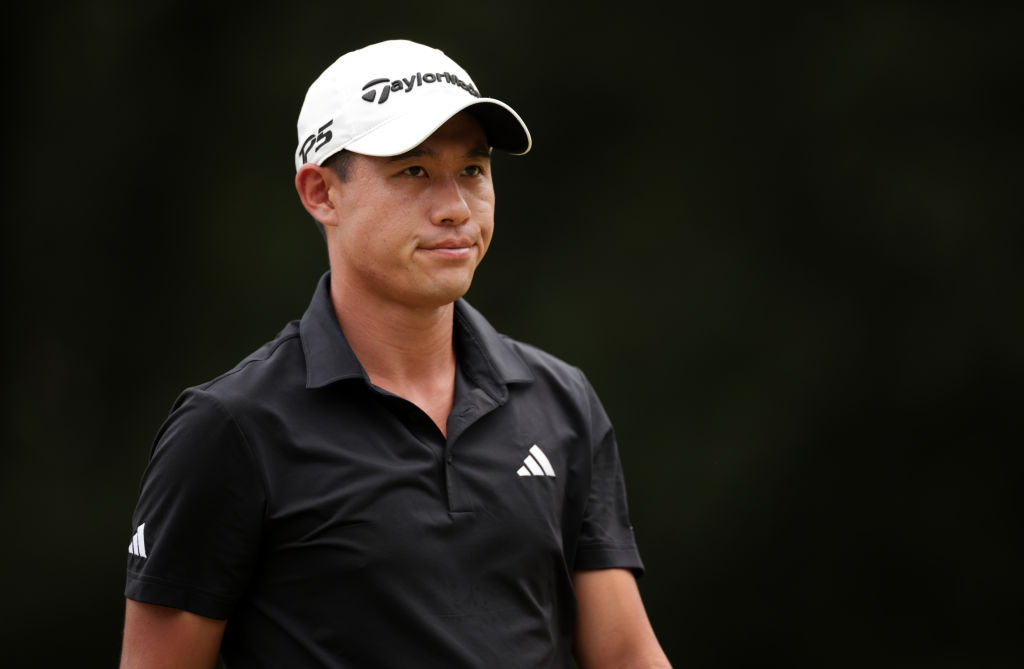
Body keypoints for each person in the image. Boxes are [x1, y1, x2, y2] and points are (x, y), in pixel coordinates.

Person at [120, 39, 671, 668]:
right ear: (321, 193)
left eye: (473, 170)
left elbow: (626, 654)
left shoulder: (560, 402)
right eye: (413, 171)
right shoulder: (232, 427)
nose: (456, 208)